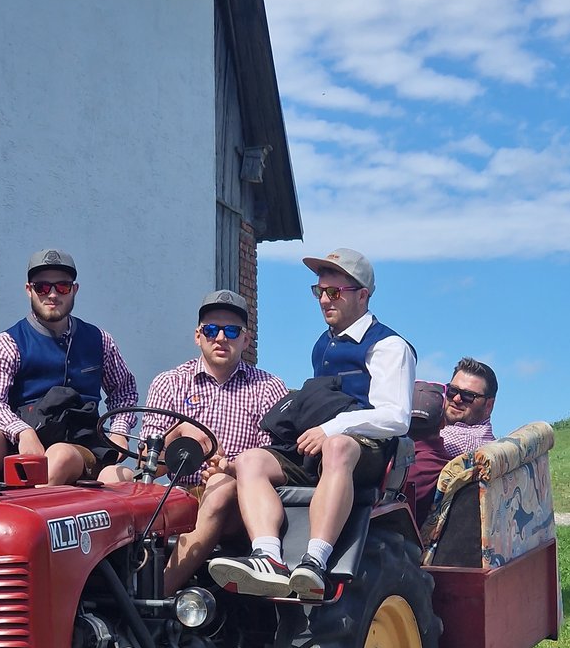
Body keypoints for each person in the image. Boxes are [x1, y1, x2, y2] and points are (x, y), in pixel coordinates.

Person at [209, 248, 415, 602]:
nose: (323, 299)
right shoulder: (324, 344)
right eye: (318, 291)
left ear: (363, 295)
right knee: (250, 460)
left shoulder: (389, 346)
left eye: (334, 292)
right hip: (316, 445)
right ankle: (268, 557)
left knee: (337, 447)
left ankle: (315, 562)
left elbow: (396, 416)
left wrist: (334, 428)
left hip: (363, 451)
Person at [0, 250, 138, 500]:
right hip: (22, 441)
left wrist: (119, 432)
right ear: (29, 290)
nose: (52, 294)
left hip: (79, 444)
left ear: (74, 290)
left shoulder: (100, 340)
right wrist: (22, 432)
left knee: (59, 455)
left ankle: (21, 521)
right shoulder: (7, 343)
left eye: (62, 286)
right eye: (42, 287)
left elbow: (124, 390)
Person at [140, 290, 287, 594]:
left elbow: (275, 460)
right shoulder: (169, 382)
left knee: (220, 485)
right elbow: (147, 466)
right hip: (176, 496)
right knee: (112, 478)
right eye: (211, 329)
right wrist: (178, 433)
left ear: (246, 340)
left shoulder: (268, 388)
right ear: (198, 336)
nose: (221, 338)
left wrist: (228, 468)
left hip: (236, 503)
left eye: (232, 331)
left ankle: (156, 597)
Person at [406, 359, 498, 526]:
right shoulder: (490, 441)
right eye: (452, 390)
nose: (456, 399)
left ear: (489, 405)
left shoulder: (458, 442)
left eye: (468, 396)